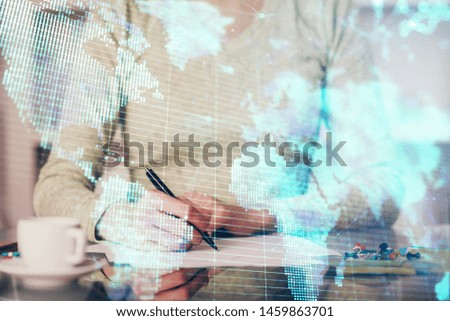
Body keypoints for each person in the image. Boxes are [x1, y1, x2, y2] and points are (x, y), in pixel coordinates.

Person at [34, 0, 401, 258]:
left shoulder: (324, 13)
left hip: (283, 285)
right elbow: (57, 183)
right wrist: (113, 217)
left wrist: (267, 217)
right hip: (161, 280)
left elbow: (383, 184)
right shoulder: (122, 13)